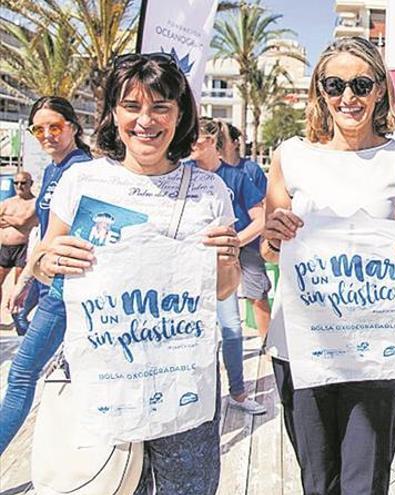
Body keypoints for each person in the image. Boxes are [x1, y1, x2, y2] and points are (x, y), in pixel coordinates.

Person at [0, 53, 240, 495]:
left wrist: (227, 261)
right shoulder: (84, 181)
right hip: (105, 380)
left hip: (183, 383)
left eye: (160, 107)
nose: (145, 121)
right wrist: (45, 262)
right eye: (131, 106)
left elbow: (225, 289)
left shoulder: (210, 191)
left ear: (180, 113)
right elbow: (44, 260)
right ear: (113, 112)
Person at [260, 36, 395, 494]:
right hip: (301, 344)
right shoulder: (290, 156)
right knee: (318, 480)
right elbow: (272, 253)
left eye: (360, 84)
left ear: (380, 91)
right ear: (319, 92)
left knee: (365, 481)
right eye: (334, 85)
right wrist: (273, 239)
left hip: (376, 347)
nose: (347, 97)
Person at [189, 116, 267, 415]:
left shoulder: (235, 177)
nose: (190, 144)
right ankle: (196, 396)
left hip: (227, 265)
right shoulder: (182, 174)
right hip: (190, 267)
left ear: (211, 140)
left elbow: (259, 219)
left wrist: (233, 244)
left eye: (195, 138)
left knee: (232, 327)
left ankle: (237, 393)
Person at [6, 97, 92, 335]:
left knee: (22, 371)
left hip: (68, 284)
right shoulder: (51, 169)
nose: (46, 135)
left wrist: (24, 282)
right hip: (46, 276)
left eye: (54, 127)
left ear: (73, 127)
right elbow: (43, 231)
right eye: (38, 129)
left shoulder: (82, 170)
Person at [221, 123, 272, 337]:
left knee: (257, 295)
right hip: (224, 245)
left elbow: (266, 204)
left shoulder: (250, 170)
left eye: (223, 139)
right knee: (223, 297)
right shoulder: (213, 171)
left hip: (249, 243)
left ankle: (268, 343)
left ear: (234, 143)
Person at [0, 171, 37, 308]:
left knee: (19, 284)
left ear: (30, 184)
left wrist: (6, 218)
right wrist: (14, 221)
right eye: (16, 183)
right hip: (5, 248)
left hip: (22, 247)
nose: (19, 186)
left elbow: (22, 221)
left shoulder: (34, 202)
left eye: (23, 183)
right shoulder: (7, 202)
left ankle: (17, 314)